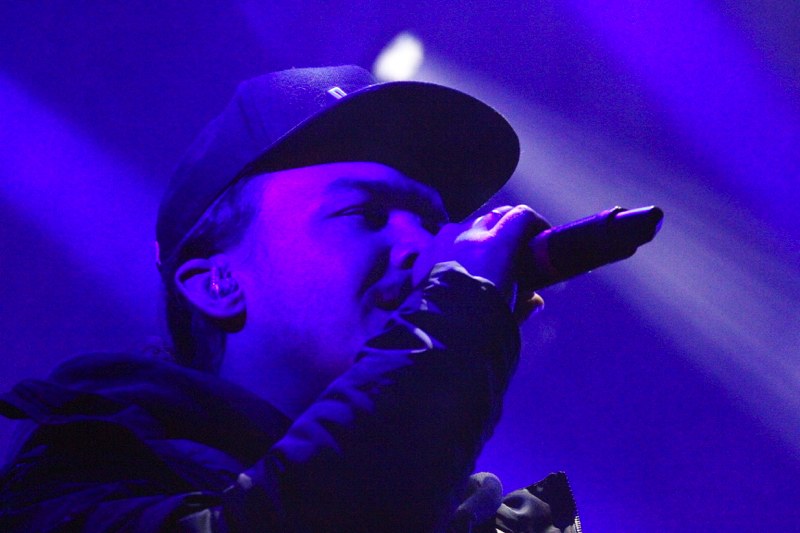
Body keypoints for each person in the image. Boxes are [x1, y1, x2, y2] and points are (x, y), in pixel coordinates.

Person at [0, 66, 580, 532]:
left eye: (432, 223)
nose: (425, 247)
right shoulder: (62, 485)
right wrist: (456, 328)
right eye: (366, 212)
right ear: (217, 282)